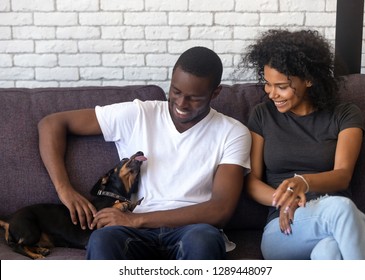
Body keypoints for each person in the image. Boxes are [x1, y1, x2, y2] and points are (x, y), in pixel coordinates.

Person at [37, 46, 251, 259]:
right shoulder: (139, 114)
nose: (181, 104)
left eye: (194, 98)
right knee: (102, 239)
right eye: (176, 92)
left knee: (204, 240)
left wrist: (135, 219)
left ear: (215, 92)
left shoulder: (232, 132)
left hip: (192, 229)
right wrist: (64, 189)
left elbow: (220, 210)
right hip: (132, 232)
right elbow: (52, 124)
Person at [243, 29, 365, 260]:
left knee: (330, 252)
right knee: (344, 210)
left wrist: (303, 182)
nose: (272, 93)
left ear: (308, 79)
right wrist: (285, 199)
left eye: (282, 86)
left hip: (334, 218)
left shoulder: (344, 115)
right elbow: (251, 182)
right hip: (284, 226)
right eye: (268, 84)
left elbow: (342, 175)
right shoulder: (263, 115)